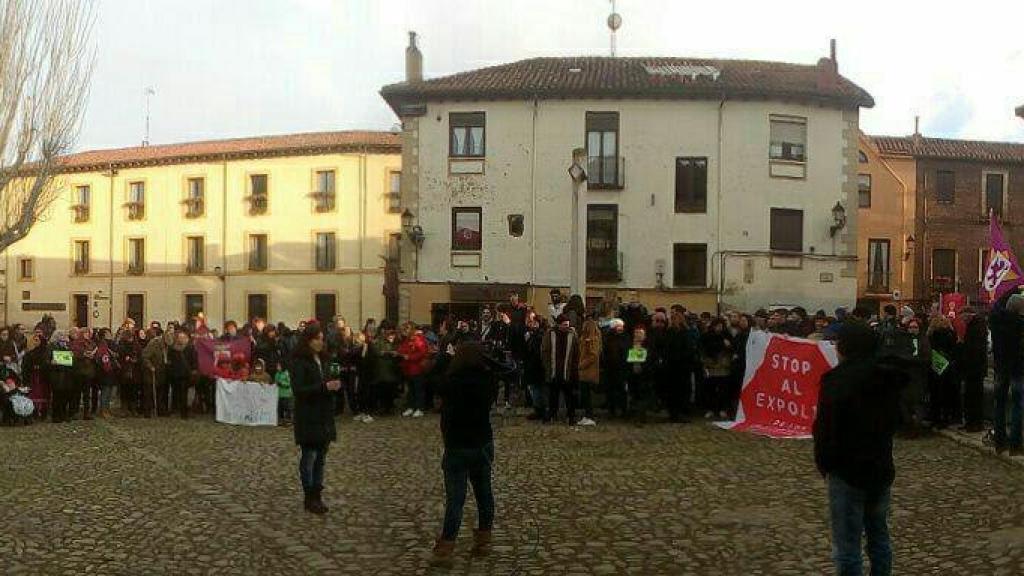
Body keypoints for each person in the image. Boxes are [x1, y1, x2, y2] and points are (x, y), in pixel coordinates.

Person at [814, 321, 903, 576]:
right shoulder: (887, 377)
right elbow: (896, 420)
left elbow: (826, 428)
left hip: (847, 471)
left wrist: (825, 463)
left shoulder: (837, 381)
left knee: (847, 546)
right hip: (880, 467)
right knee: (879, 536)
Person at [430, 342, 506, 568]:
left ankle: (447, 544)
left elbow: (433, 379)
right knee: (484, 493)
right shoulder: (487, 381)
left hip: (456, 445)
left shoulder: (450, 382)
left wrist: (445, 357)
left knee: (455, 498)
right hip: (481, 442)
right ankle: (484, 539)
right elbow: (499, 371)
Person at [290, 323, 342, 514]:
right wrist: (324, 388)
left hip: (324, 414)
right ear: (308, 340)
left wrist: (334, 386)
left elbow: (326, 382)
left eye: (322, 338)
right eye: (317, 339)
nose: (321, 342)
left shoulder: (323, 359)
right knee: (309, 456)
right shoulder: (299, 361)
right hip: (308, 415)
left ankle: (317, 494)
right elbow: (299, 390)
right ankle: (309, 496)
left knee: (321, 457)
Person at [989, 293, 1024, 454]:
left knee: (999, 405)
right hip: (1018, 368)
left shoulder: (997, 322)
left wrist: (1011, 289)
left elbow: (996, 306)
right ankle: (1015, 444)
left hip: (1000, 367)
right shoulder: (1020, 323)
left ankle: (999, 442)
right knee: (1018, 405)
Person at [541, 315, 579, 424]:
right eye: (564, 324)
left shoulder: (572, 334)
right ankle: (552, 415)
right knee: (553, 395)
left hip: (568, 370)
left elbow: (576, 352)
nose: (567, 326)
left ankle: (571, 416)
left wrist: (574, 368)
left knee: (569, 396)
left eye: (568, 324)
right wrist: (547, 366)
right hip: (554, 370)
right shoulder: (550, 334)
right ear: (559, 324)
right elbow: (545, 351)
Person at [927, 315, 959, 429]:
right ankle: (945, 418)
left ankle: (935, 418)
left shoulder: (931, 334)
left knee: (934, 393)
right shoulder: (951, 334)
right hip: (948, 366)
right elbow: (954, 350)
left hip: (935, 365)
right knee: (946, 394)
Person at [958, 307, 988, 433]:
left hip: (975, 369)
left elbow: (975, 349)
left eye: (963, 317)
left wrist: (963, 346)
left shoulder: (977, 327)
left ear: (968, 315)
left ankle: (975, 423)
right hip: (973, 368)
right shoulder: (974, 326)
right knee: (970, 396)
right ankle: (971, 422)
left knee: (974, 397)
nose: (962, 320)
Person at [398, 321, 429, 418]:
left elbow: (422, 352)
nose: (404, 331)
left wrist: (409, 357)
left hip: (417, 368)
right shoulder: (407, 339)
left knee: (418, 389)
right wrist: (399, 353)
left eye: (406, 329)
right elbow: (402, 349)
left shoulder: (418, 339)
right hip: (408, 369)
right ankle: (411, 407)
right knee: (410, 389)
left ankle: (419, 408)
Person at [576, 319, 601, 426]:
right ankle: (587, 416)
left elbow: (593, 355)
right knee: (585, 395)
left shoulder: (592, 340)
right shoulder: (586, 339)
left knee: (587, 396)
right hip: (585, 372)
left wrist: (582, 365)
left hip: (588, 371)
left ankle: (590, 416)